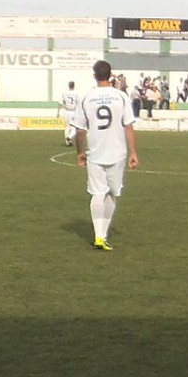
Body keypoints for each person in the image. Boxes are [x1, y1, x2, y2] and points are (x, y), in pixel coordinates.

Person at [72, 61, 139, 251]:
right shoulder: (121, 96)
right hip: (117, 152)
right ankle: (102, 234)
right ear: (111, 76)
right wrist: (133, 153)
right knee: (113, 192)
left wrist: (80, 153)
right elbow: (129, 125)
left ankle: (99, 235)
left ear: (94, 75)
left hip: (95, 152)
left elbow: (80, 130)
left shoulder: (86, 97)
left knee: (97, 192)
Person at [57, 82, 79, 146]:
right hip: (73, 112)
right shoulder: (76, 93)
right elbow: (78, 103)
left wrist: (58, 112)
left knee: (67, 127)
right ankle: (69, 137)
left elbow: (60, 103)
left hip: (66, 111)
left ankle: (68, 142)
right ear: (74, 86)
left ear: (68, 86)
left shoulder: (64, 93)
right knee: (75, 128)